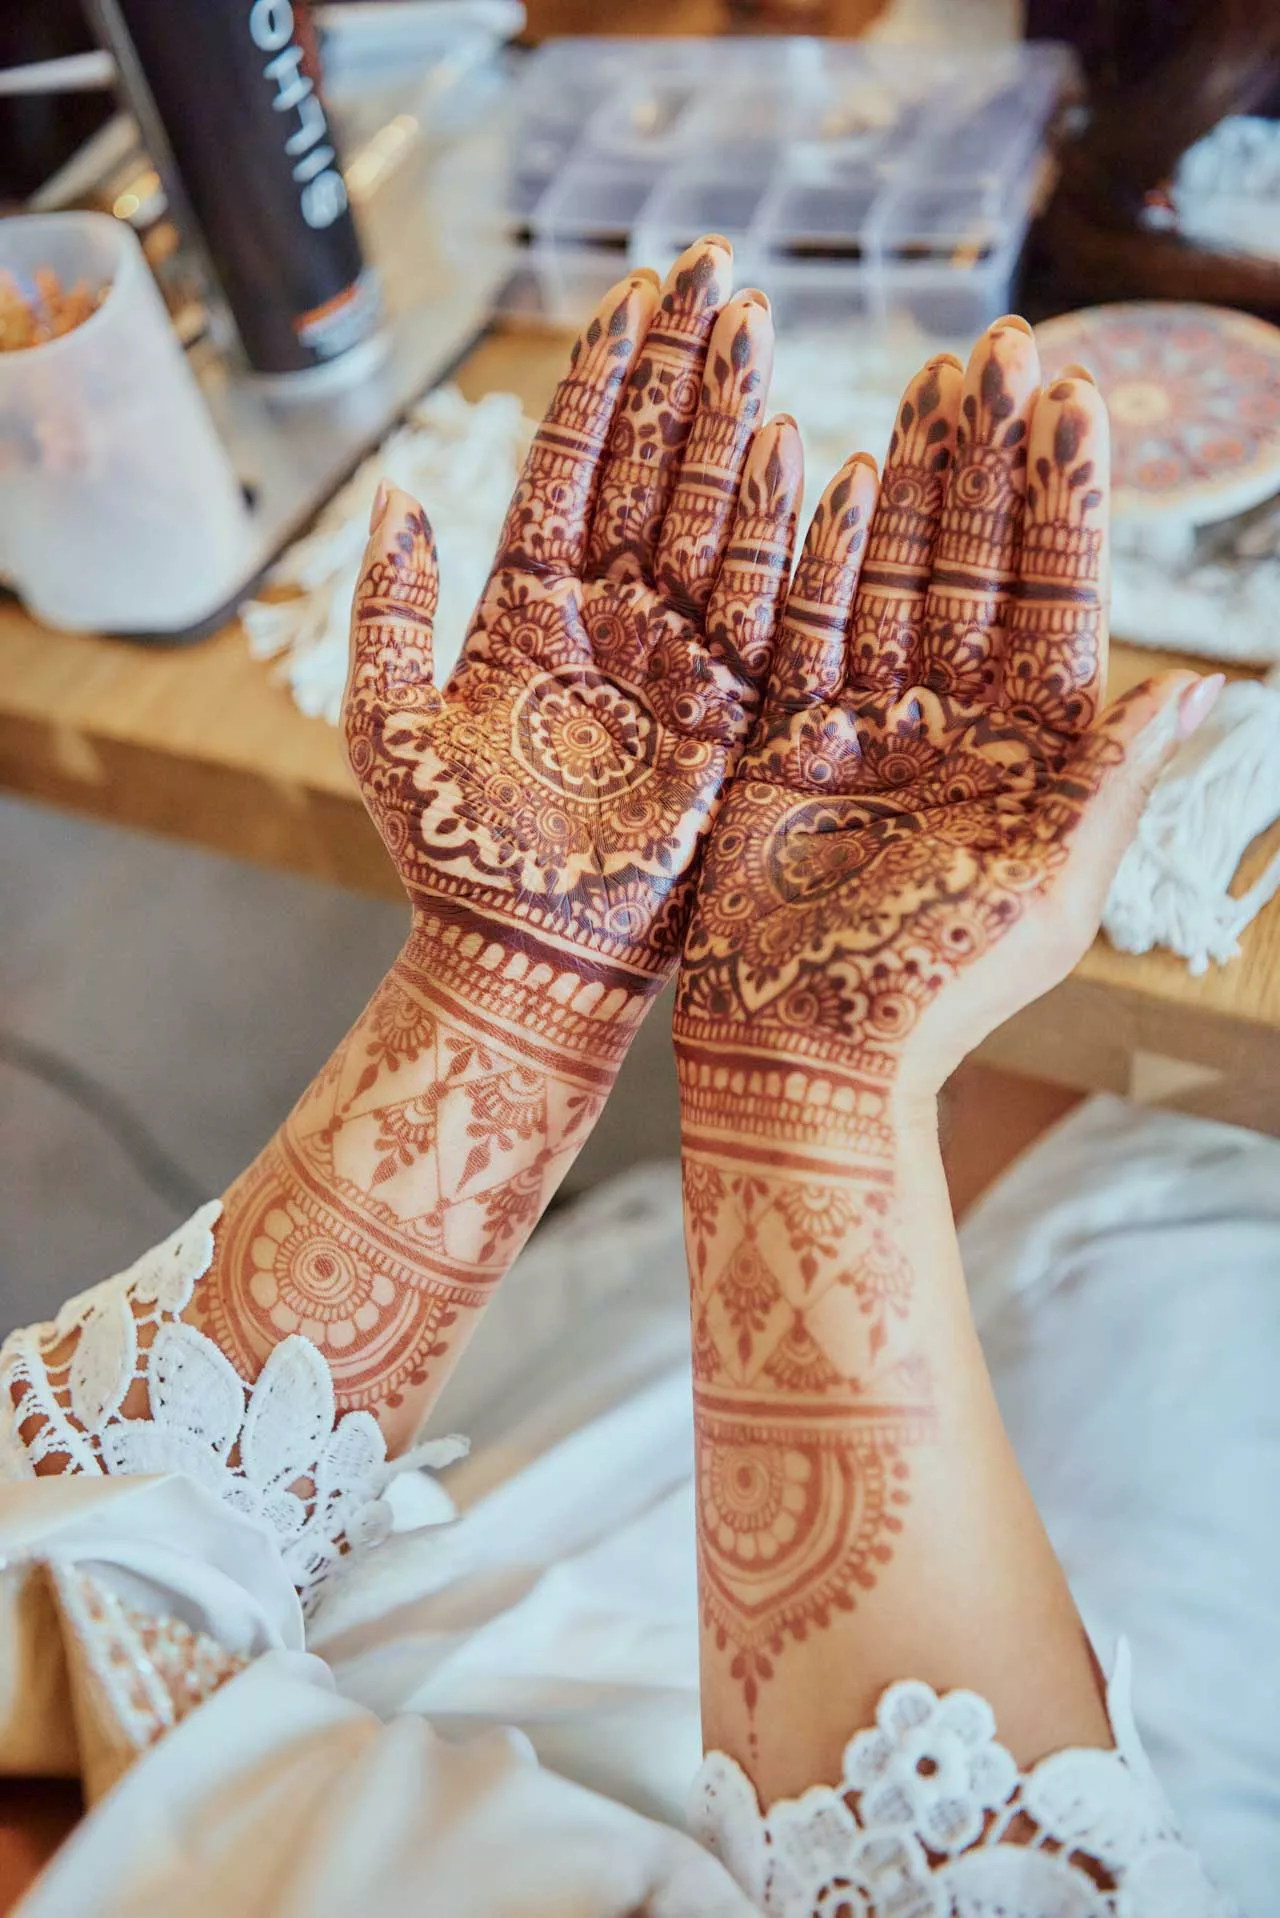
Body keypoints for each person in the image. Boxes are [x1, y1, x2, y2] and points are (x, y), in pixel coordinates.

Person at [0, 236, 1235, 1914]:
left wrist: (522, 982)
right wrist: (812, 1084)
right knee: (1199, 1244)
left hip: (392, 1621)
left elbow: (76, 1560)